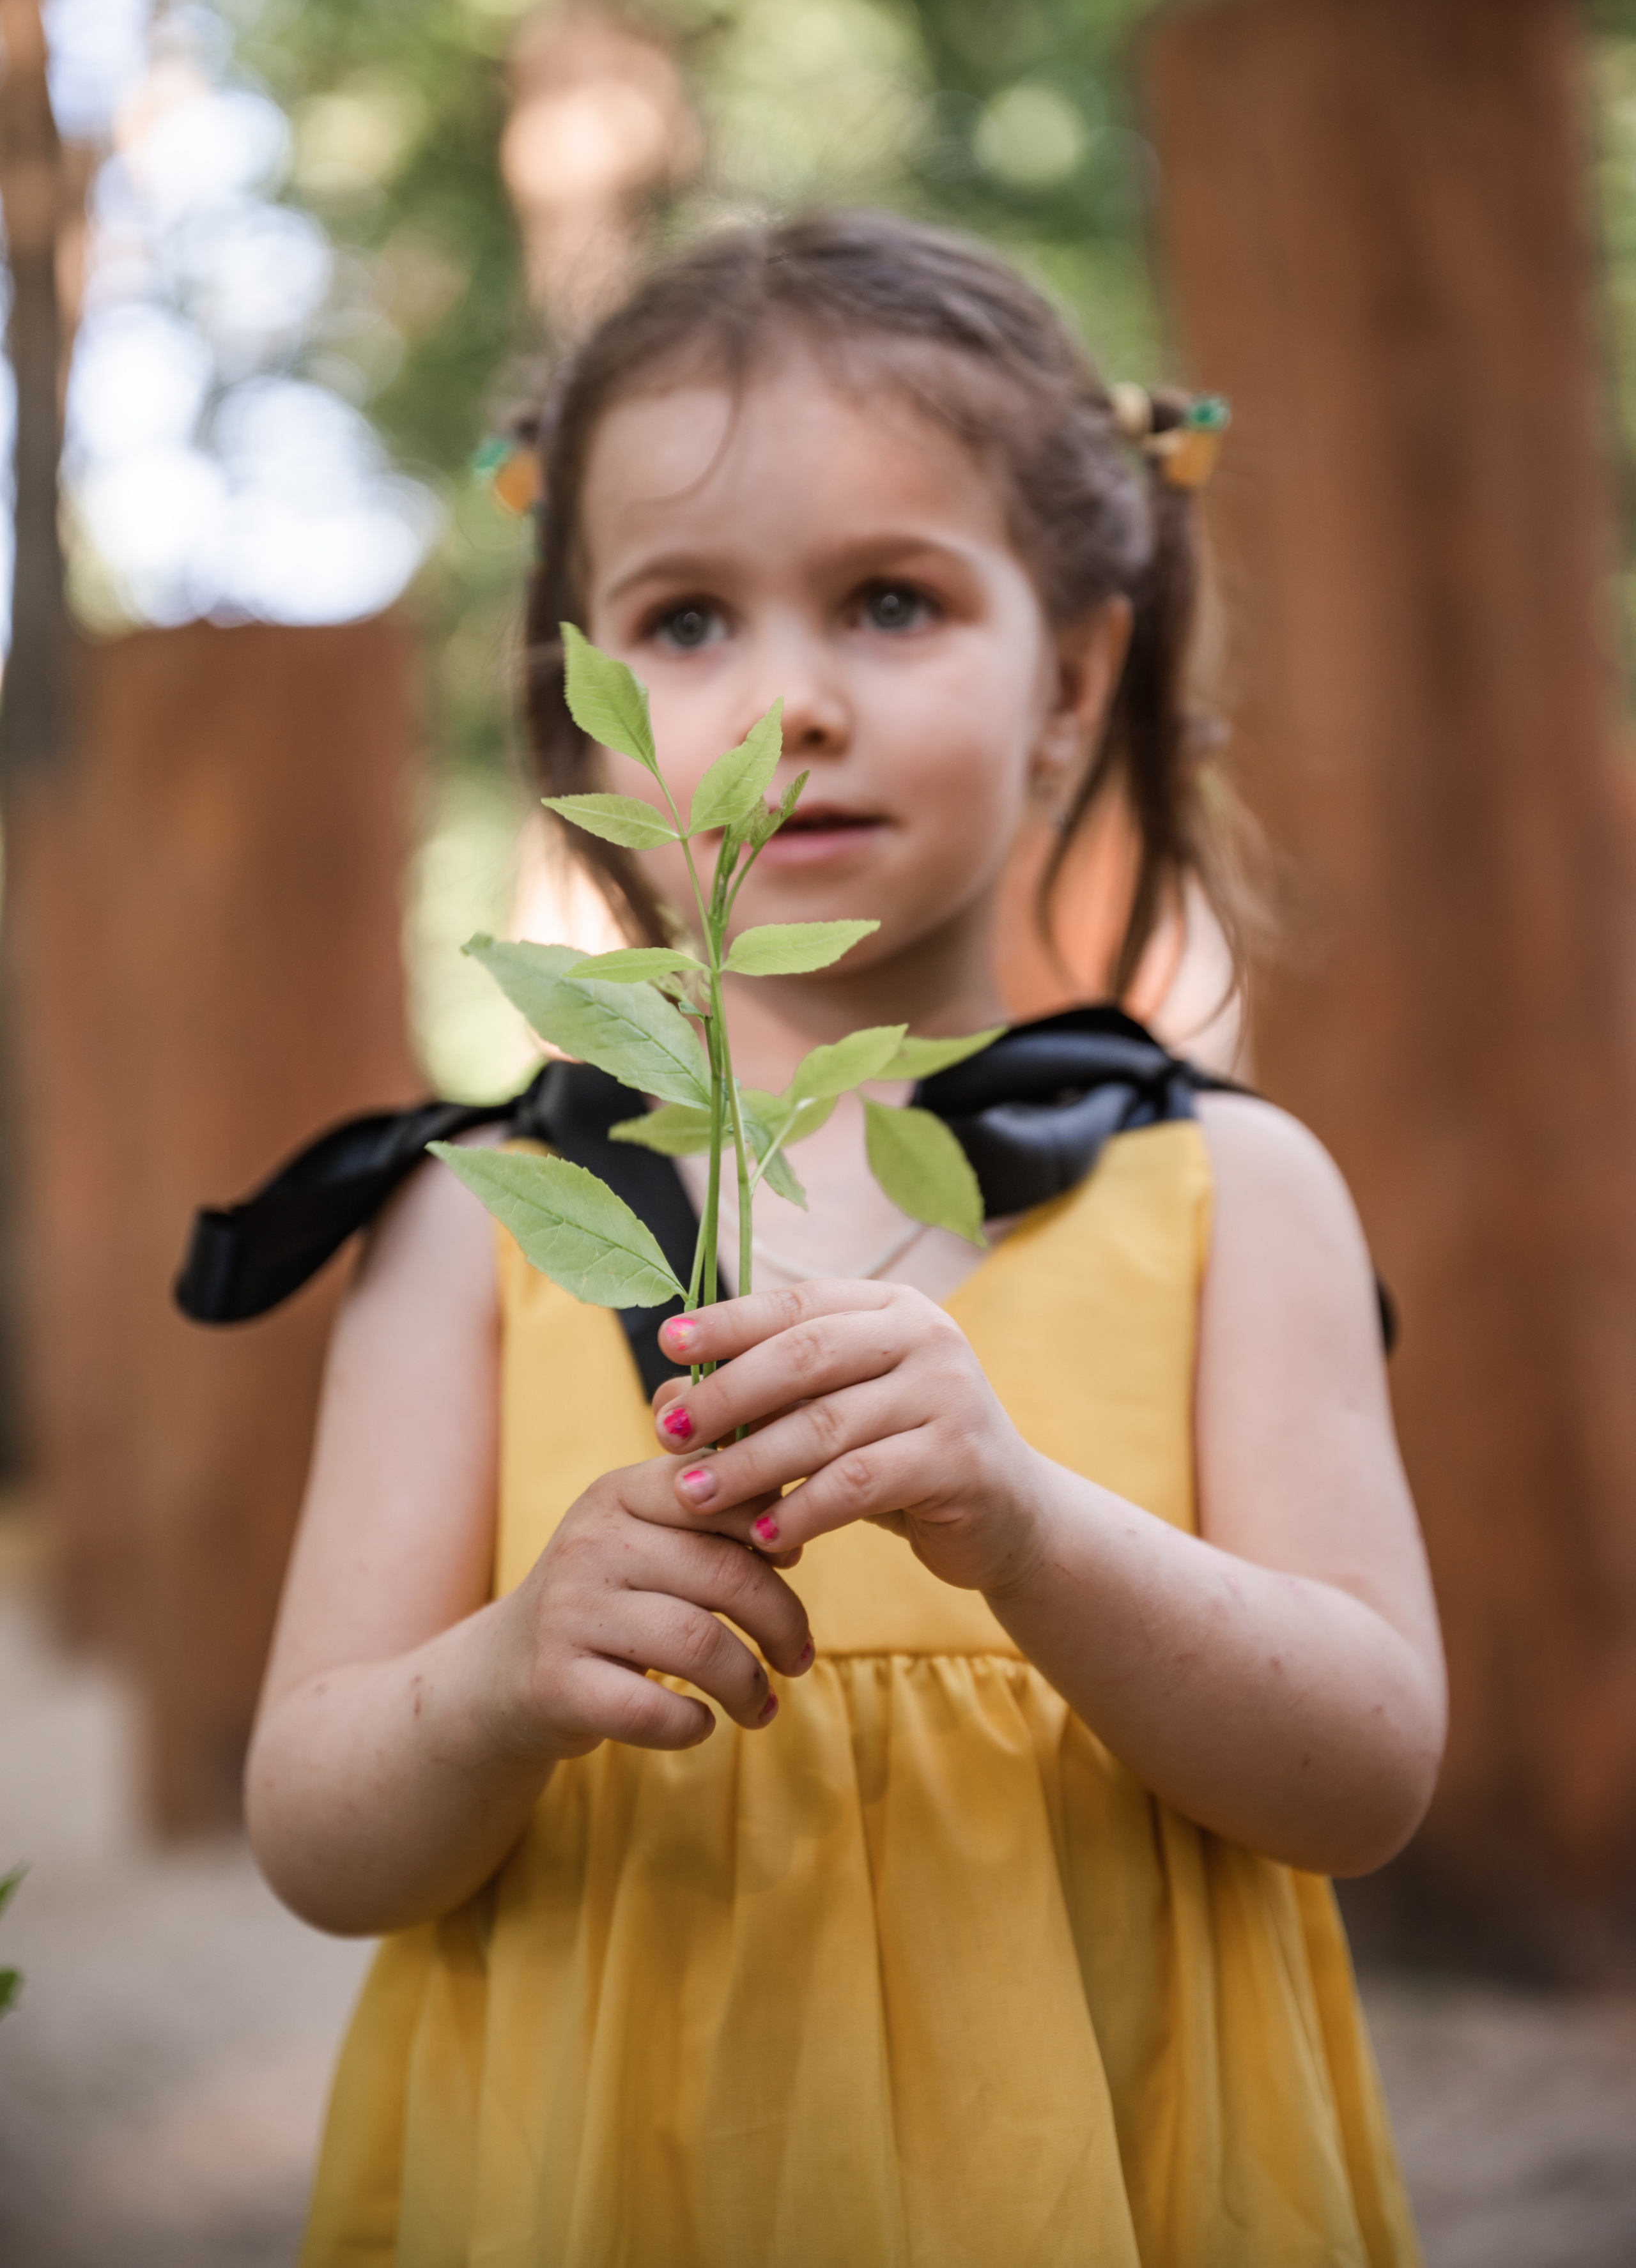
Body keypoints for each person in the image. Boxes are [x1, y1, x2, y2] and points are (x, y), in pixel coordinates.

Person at [248, 212, 1445, 2266]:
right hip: (599, 2174)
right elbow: (317, 1832)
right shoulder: (470, 1227)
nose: (787, 701)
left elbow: (1363, 1775)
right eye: (686, 623)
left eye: (890, 602)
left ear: (1071, 679)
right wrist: (503, 1678)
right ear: (580, 720)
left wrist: (1034, 1531)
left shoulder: (1237, 1193)